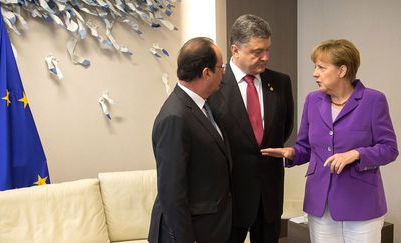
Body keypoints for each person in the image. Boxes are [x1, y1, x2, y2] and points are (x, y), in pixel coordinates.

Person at [261, 39, 398, 243]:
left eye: (321, 67)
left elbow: (389, 148)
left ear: (342, 70)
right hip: (320, 204)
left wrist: (357, 154)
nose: (315, 73)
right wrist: (291, 153)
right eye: (315, 66)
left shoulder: (373, 100)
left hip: (361, 204)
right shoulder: (312, 100)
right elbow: (305, 147)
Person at [208, 14, 294, 243]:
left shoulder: (281, 83)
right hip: (230, 197)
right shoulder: (214, 86)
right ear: (235, 50)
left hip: (270, 196)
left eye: (267, 49)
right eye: (257, 52)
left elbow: (284, 129)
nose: (265, 57)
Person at [148, 37, 232, 243]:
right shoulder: (175, 117)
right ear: (206, 73)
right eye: (221, 67)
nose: (224, 72)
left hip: (210, 227)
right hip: (188, 233)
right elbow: (172, 190)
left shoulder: (203, 106)